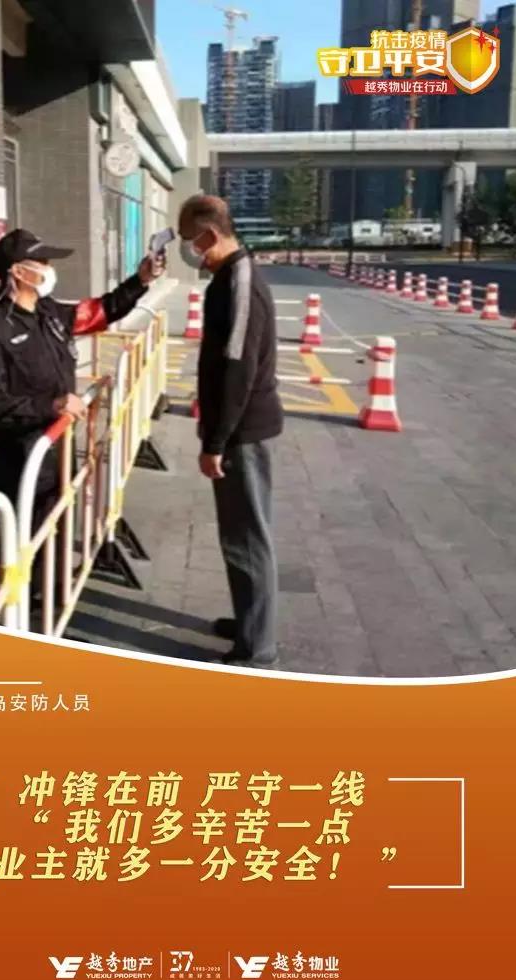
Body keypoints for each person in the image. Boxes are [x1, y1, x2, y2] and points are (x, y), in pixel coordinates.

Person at [0, 227, 163, 600]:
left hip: (58, 447)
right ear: (18, 271)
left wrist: (141, 280)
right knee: (23, 539)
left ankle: (52, 598)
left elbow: (102, 310)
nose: (49, 269)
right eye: (41, 262)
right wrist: (50, 405)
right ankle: (20, 612)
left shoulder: (51, 313)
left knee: (56, 526)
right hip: (21, 454)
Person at [178, 195, 283, 667]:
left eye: (190, 241)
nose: (189, 251)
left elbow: (238, 368)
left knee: (247, 537)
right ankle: (248, 621)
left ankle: (257, 647)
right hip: (235, 427)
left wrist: (216, 442)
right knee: (238, 534)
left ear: (209, 235)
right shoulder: (227, 277)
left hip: (242, 432)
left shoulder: (240, 281)